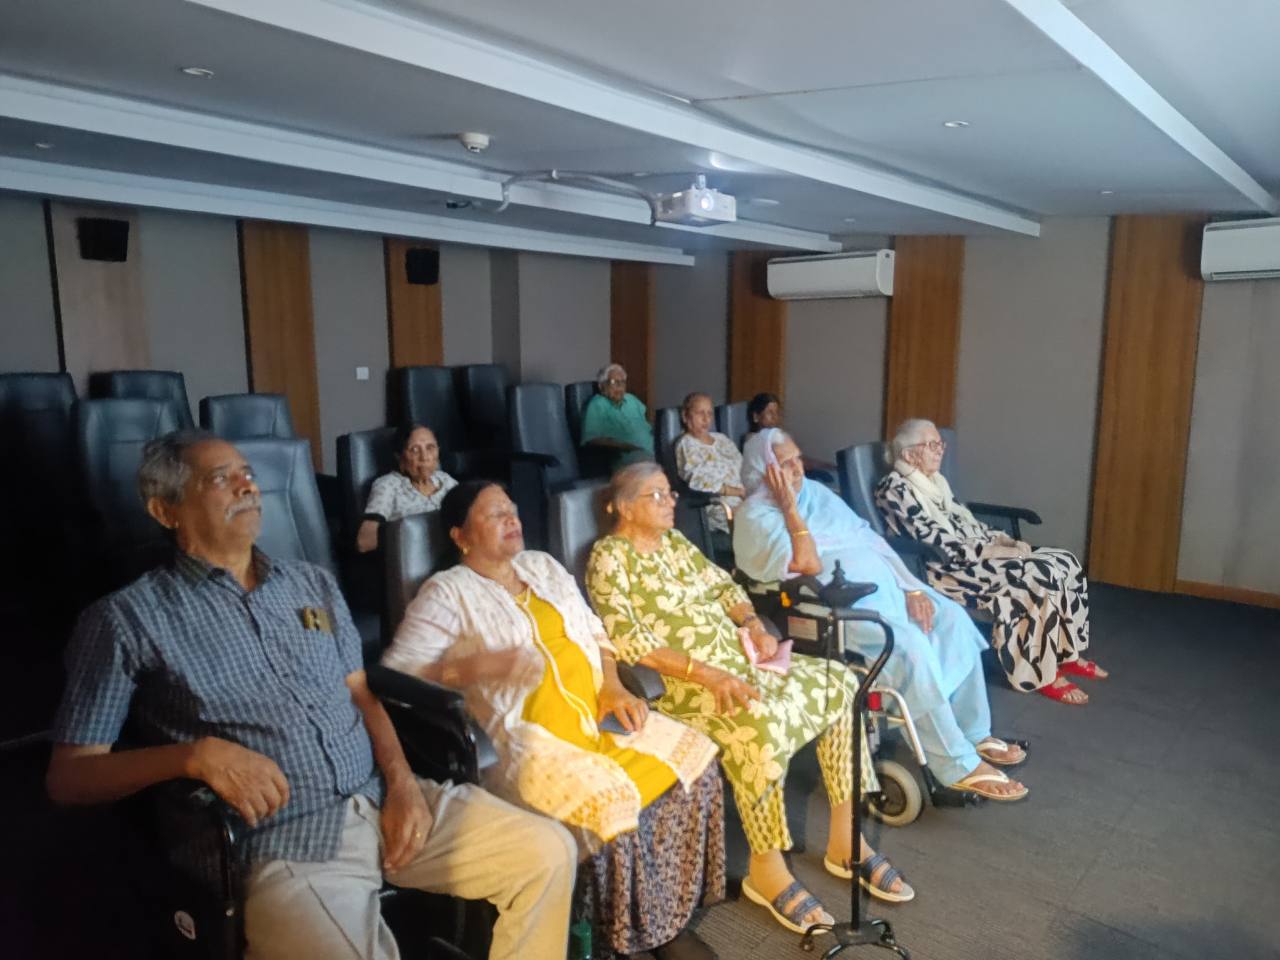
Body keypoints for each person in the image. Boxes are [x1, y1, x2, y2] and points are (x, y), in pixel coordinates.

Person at [46, 430, 575, 960]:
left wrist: (402, 783)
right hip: (285, 842)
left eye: (248, 474)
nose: (247, 487)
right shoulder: (125, 620)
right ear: (166, 510)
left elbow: (363, 695)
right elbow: (70, 777)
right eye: (221, 478)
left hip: (381, 799)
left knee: (549, 852)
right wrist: (193, 756)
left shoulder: (311, 584)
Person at [383, 480, 725, 960]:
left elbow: (593, 629)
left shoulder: (541, 565)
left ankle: (665, 916)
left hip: (598, 712)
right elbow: (396, 676)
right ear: (461, 535)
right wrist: (473, 668)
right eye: (494, 515)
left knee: (697, 763)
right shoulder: (448, 592)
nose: (512, 520)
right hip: (530, 740)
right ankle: (624, 936)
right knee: (610, 808)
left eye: (513, 509)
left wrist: (611, 683)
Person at [587, 462, 914, 938]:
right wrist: (708, 673)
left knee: (840, 683)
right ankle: (767, 869)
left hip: (738, 662)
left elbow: (724, 586)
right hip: (686, 684)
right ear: (622, 506)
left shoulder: (676, 543)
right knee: (755, 721)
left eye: (670, 494)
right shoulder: (609, 558)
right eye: (657, 495)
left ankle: (846, 840)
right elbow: (629, 641)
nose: (671, 501)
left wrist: (754, 624)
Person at [732, 429, 1030, 806]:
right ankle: (955, 765)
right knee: (908, 647)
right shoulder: (754, 517)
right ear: (764, 469)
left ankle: (973, 732)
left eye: (797, 460)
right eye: (784, 464)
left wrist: (912, 589)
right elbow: (805, 563)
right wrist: (789, 509)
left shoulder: (817, 495)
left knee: (951, 617)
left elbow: (870, 540)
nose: (796, 470)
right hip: (832, 605)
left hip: (888, 591)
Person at [875, 419, 1105, 704]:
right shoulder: (895, 489)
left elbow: (969, 526)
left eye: (940, 443)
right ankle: (1037, 672)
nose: (940, 450)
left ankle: (1064, 654)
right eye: (930, 445)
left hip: (974, 557)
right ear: (908, 454)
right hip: (947, 568)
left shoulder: (936, 484)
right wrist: (996, 553)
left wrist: (1004, 541)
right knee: (1038, 574)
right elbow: (935, 541)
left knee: (1065, 561)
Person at [357, 423, 458, 552]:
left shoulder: (446, 481)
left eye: (430, 447)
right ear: (399, 456)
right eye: (415, 449)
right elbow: (364, 542)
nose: (425, 457)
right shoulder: (388, 486)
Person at [674, 391, 743, 533]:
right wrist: (738, 492)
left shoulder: (722, 439)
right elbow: (698, 481)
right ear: (685, 417)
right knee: (755, 519)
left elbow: (743, 467)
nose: (706, 419)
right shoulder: (686, 444)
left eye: (709, 413)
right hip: (716, 504)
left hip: (744, 497)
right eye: (700, 413)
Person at [580, 364, 655, 466]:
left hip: (653, 450)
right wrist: (624, 446)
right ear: (601, 385)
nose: (620, 386)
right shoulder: (596, 404)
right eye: (614, 382)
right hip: (626, 456)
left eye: (622, 382)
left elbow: (647, 423)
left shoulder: (632, 400)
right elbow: (592, 439)